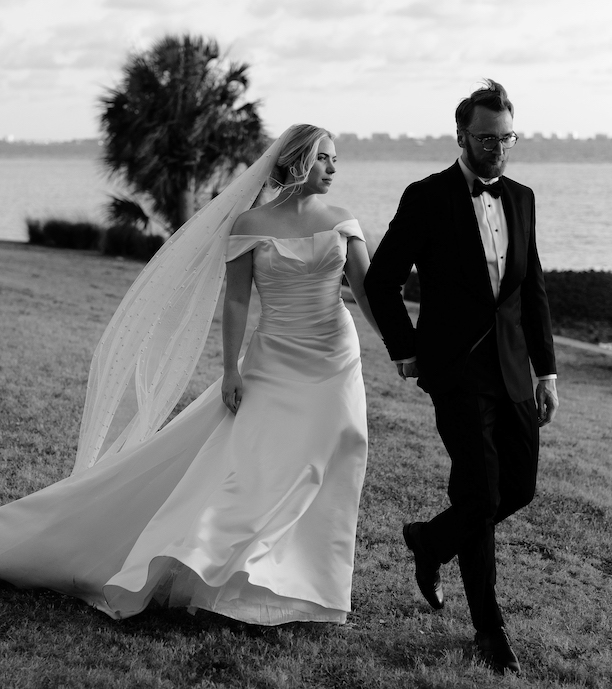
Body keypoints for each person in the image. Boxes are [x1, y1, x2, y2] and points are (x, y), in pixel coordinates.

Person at [0, 124, 379, 625]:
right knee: (263, 465)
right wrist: (230, 370)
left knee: (335, 450)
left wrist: (404, 347)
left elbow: (369, 294)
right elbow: (238, 299)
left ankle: (305, 585)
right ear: (299, 162)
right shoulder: (251, 223)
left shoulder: (342, 220)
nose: (334, 169)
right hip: (274, 358)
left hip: (335, 357)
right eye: (326, 158)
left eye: (336, 160)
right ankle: (235, 578)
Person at [364, 80, 559, 675]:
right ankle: (489, 629)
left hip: (514, 368)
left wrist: (547, 370)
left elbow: (532, 290)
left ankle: (430, 541)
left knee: (517, 488)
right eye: (486, 138)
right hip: (455, 371)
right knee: (479, 492)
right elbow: (381, 281)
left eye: (507, 137)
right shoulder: (426, 196)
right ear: (461, 136)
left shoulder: (522, 198)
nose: (498, 148)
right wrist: (406, 350)